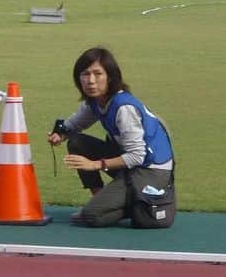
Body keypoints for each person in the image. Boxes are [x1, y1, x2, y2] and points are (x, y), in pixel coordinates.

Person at [47, 46, 176, 229]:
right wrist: (60, 134)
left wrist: (96, 164)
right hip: (132, 165)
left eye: (98, 74)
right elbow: (74, 125)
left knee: (91, 217)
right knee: (77, 142)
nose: (91, 81)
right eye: (85, 74)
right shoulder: (95, 102)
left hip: (151, 170)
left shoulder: (124, 108)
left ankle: (131, 204)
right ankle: (103, 199)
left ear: (111, 77)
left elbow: (138, 156)